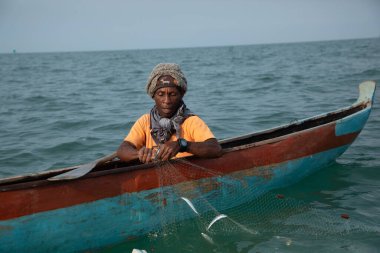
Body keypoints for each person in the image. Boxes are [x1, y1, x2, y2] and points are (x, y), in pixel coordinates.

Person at [117, 63, 222, 163]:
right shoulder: (145, 121)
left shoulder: (191, 121)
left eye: (172, 94)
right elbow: (122, 151)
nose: (166, 100)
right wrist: (141, 154)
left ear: (181, 94)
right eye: (161, 94)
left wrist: (182, 145)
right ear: (153, 95)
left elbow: (215, 148)